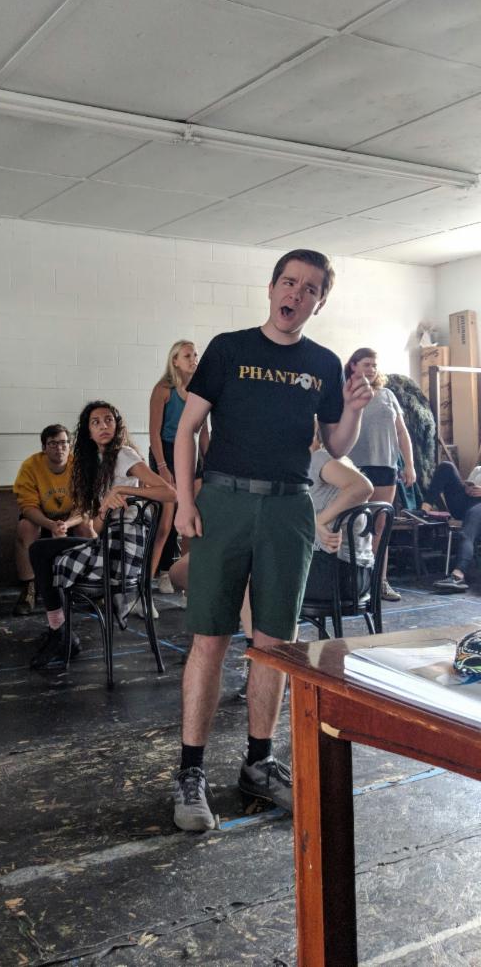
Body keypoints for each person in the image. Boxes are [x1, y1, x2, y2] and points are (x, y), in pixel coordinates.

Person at [171, 248, 373, 830]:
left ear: (319, 302)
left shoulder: (323, 362)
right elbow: (188, 429)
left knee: (275, 643)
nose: (296, 294)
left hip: (288, 508)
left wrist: (353, 409)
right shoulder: (228, 349)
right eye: (289, 282)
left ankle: (258, 763)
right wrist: (185, 501)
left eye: (310, 289)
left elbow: (336, 445)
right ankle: (190, 771)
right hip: (225, 502)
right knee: (210, 638)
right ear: (271, 287)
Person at [28, 401, 175, 669]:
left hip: (123, 552)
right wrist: (101, 511)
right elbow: (95, 522)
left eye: (108, 420)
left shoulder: (123, 455)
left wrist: (123, 491)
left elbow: (169, 492)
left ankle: (60, 633)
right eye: (95, 422)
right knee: (42, 550)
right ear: (88, 431)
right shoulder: (97, 463)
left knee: (42, 552)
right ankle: (60, 632)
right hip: (109, 544)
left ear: (117, 425)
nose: (103, 426)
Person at [345, 348, 416, 602]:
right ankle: (351, 583)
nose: (372, 369)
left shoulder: (387, 395)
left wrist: (409, 465)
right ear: (353, 366)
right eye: (367, 364)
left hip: (385, 466)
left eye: (375, 365)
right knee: (352, 525)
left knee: (380, 525)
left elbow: (402, 432)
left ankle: (379, 581)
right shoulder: (345, 393)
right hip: (353, 468)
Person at [11, 424, 93, 615]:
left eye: (64, 443)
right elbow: (27, 506)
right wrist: (50, 524)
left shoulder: (79, 466)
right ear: (44, 447)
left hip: (70, 517)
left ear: (70, 445)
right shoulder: (30, 466)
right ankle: (29, 588)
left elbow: (84, 506)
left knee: (87, 527)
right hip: (42, 516)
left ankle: (88, 585)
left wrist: (66, 524)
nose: (59, 448)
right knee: (25, 527)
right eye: (53, 443)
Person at [148, 341, 209, 591]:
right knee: (168, 519)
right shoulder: (163, 389)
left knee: (193, 515)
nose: (194, 359)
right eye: (187, 356)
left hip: (191, 452)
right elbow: (154, 432)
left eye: (195, 355)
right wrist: (162, 466)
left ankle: (185, 575)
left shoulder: (201, 389)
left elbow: (204, 432)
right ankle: (161, 573)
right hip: (166, 450)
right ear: (175, 361)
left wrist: (209, 462)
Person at [305, 431, 375, 602]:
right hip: (360, 577)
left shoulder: (319, 459)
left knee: (257, 572)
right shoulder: (343, 460)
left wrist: (319, 521)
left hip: (335, 577)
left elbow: (364, 487)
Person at [424, 460, 481, 592]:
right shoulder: (478, 469)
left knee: (467, 531)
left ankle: (458, 576)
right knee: (446, 466)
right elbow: (467, 487)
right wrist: (468, 488)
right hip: (465, 504)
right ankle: (424, 509)